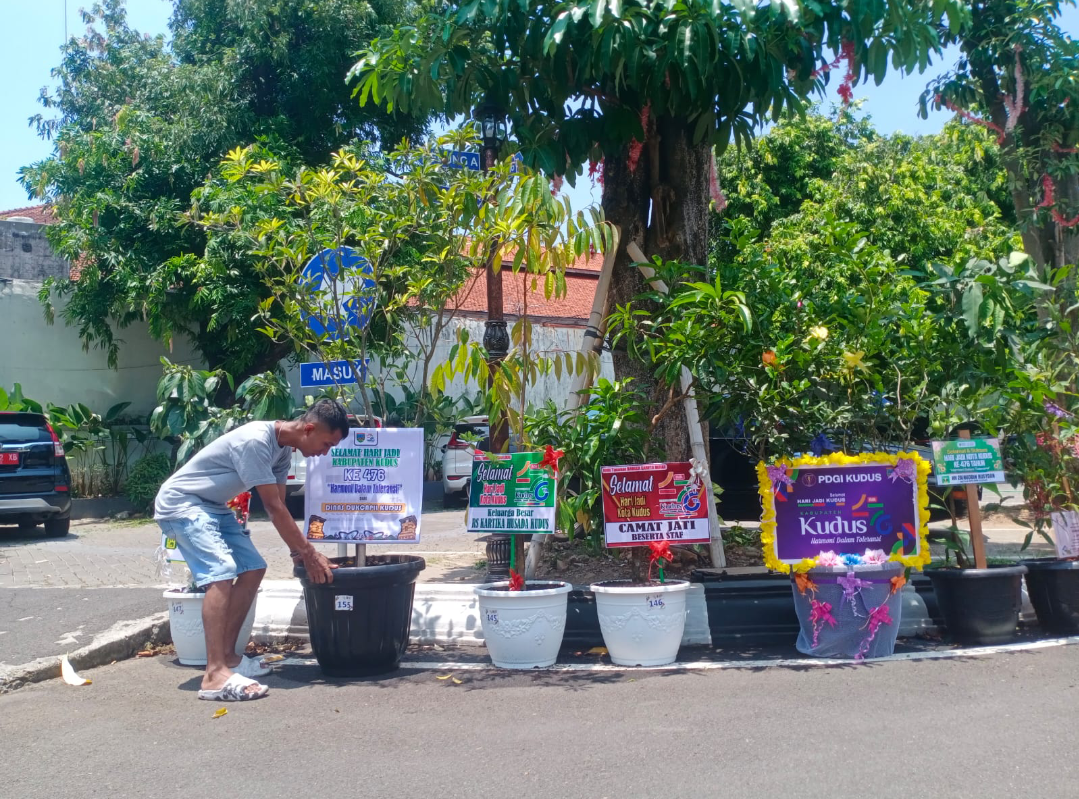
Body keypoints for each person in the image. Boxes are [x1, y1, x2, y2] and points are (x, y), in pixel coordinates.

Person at [155, 399, 347, 701]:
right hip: (182, 503)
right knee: (221, 573)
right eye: (327, 443)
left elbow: (280, 506)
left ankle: (229, 658)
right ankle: (214, 674)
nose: (326, 452)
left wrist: (299, 553)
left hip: (212, 506)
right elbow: (271, 507)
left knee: (253, 567)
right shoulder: (257, 441)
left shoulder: (283, 452)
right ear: (308, 429)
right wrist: (309, 554)